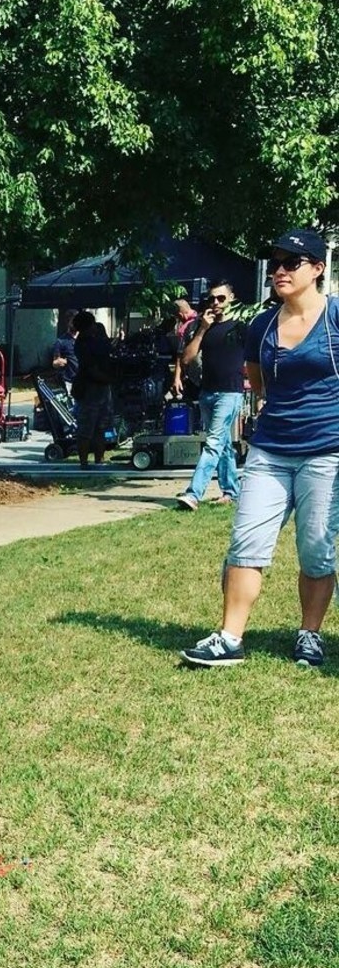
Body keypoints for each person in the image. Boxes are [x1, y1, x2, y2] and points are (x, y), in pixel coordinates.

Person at [181, 229, 339, 669]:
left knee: (316, 548)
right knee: (246, 542)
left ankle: (309, 635)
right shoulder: (262, 325)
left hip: (326, 451)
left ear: (318, 269)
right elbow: (257, 379)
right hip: (270, 450)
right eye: (275, 263)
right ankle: (230, 637)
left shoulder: (335, 317)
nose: (280, 271)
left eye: (292, 262)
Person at [175, 280, 245, 510]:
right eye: (212, 298)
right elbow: (186, 358)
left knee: (213, 443)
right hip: (207, 392)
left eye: (221, 298)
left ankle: (193, 494)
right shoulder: (202, 326)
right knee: (222, 444)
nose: (216, 303)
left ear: (231, 299)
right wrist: (203, 329)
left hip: (230, 392)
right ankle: (231, 491)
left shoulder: (240, 326)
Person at [71, 310, 114, 467]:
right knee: (86, 428)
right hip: (89, 389)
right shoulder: (83, 344)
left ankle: (99, 459)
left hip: (101, 388)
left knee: (100, 427)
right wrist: (109, 379)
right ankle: (84, 462)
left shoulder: (96, 339)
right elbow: (91, 369)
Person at [50, 310, 79, 395]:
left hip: (85, 380)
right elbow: (54, 362)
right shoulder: (61, 341)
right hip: (69, 382)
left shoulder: (84, 338)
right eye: (73, 321)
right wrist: (59, 362)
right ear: (68, 322)